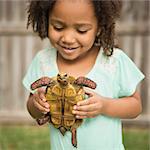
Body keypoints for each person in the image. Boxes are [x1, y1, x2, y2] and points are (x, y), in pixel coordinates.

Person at [23, 0, 145, 149]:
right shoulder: (43, 61)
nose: (67, 38)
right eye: (58, 27)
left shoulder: (113, 61)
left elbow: (136, 107)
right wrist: (37, 104)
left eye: (81, 30)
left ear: (99, 28)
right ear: (46, 20)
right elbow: (33, 110)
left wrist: (104, 106)